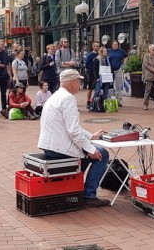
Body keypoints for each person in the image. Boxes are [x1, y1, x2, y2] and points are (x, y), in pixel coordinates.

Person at [37, 69, 110, 208]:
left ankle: (75, 191)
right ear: (72, 82)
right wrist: (90, 149)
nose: (80, 84)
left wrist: (91, 136)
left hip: (49, 145)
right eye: (78, 81)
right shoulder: (68, 98)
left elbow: (69, 128)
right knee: (102, 154)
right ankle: (89, 195)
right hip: (59, 148)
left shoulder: (55, 96)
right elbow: (73, 131)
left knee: (87, 154)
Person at [107, 41, 128, 106]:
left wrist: (124, 64)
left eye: (117, 44)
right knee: (110, 85)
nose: (116, 46)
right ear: (112, 45)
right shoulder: (108, 51)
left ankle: (119, 100)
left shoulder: (121, 51)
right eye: (114, 44)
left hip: (118, 69)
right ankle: (110, 100)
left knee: (118, 85)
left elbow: (126, 56)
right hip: (110, 70)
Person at [85, 41, 101, 107]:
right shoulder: (90, 55)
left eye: (98, 46)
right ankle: (88, 101)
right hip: (91, 74)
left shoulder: (100, 55)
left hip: (99, 73)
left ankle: (95, 101)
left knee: (98, 89)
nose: (97, 47)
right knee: (90, 88)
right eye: (96, 46)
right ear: (93, 47)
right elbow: (87, 65)